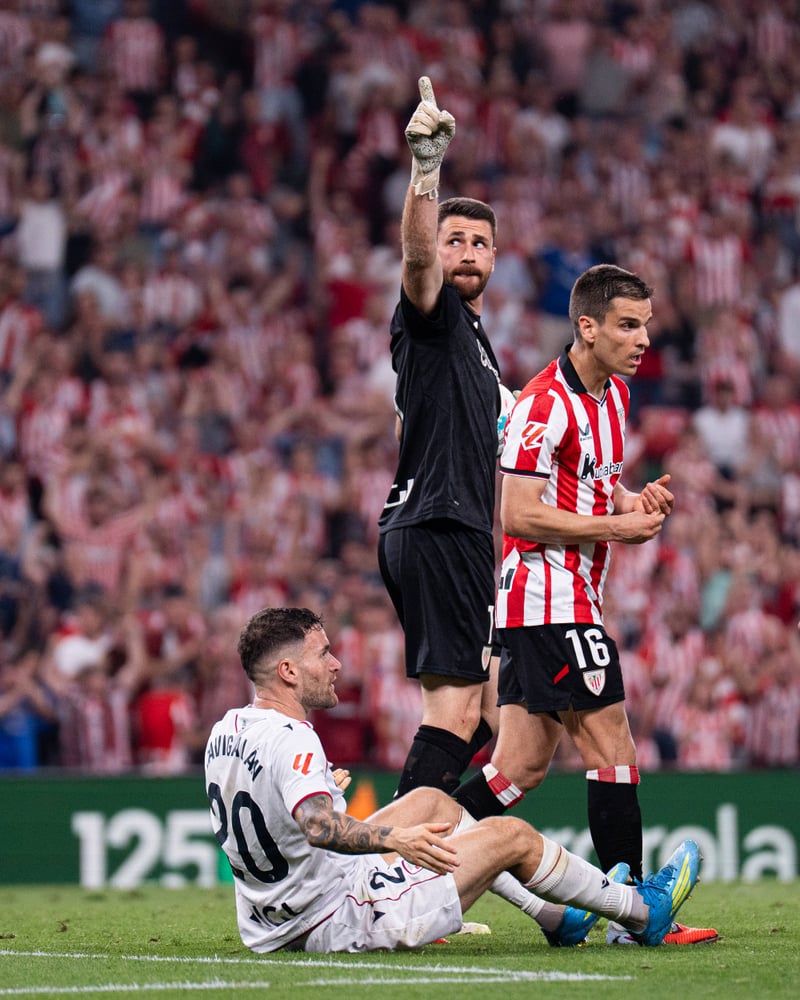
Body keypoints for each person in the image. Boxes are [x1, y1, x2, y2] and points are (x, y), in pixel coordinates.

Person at [452, 264, 719, 947]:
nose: (643, 339)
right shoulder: (544, 404)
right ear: (587, 327)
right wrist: (615, 527)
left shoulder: (612, 395)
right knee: (613, 747)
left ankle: (411, 860)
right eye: (628, 325)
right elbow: (517, 513)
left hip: (562, 599)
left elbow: (595, 487)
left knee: (516, 770)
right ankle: (634, 912)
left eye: (646, 325)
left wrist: (632, 501)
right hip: (549, 597)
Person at [204, 606, 701, 954]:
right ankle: (641, 911)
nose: (335, 664)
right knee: (511, 835)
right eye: (323, 654)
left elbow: (265, 805)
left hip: (273, 918)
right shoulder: (294, 739)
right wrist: (397, 839)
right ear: (288, 671)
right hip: (336, 918)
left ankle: (556, 917)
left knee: (432, 801)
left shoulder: (228, 729)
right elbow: (316, 826)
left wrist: (321, 788)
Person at [377, 78, 512, 798]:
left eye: (479, 242)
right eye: (454, 238)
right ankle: (390, 860)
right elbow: (416, 259)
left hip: (449, 530)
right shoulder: (434, 316)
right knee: (456, 714)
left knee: (497, 719)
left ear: (495, 259)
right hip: (440, 523)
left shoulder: (482, 354)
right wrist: (425, 172)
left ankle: (449, 852)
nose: (466, 250)